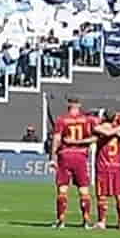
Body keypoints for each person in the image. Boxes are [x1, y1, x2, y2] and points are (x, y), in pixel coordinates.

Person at [49, 96, 96, 228]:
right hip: (81, 156)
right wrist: (80, 143)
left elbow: (57, 139)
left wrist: (52, 157)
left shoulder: (62, 119)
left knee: (63, 189)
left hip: (65, 155)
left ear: (68, 104)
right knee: (84, 190)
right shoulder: (87, 120)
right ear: (80, 105)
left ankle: (61, 220)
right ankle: (86, 220)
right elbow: (94, 137)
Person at [93, 109, 120, 230]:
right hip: (116, 166)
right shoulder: (118, 130)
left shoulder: (99, 129)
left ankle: (102, 221)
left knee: (102, 195)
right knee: (119, 195)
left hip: (103, 166)